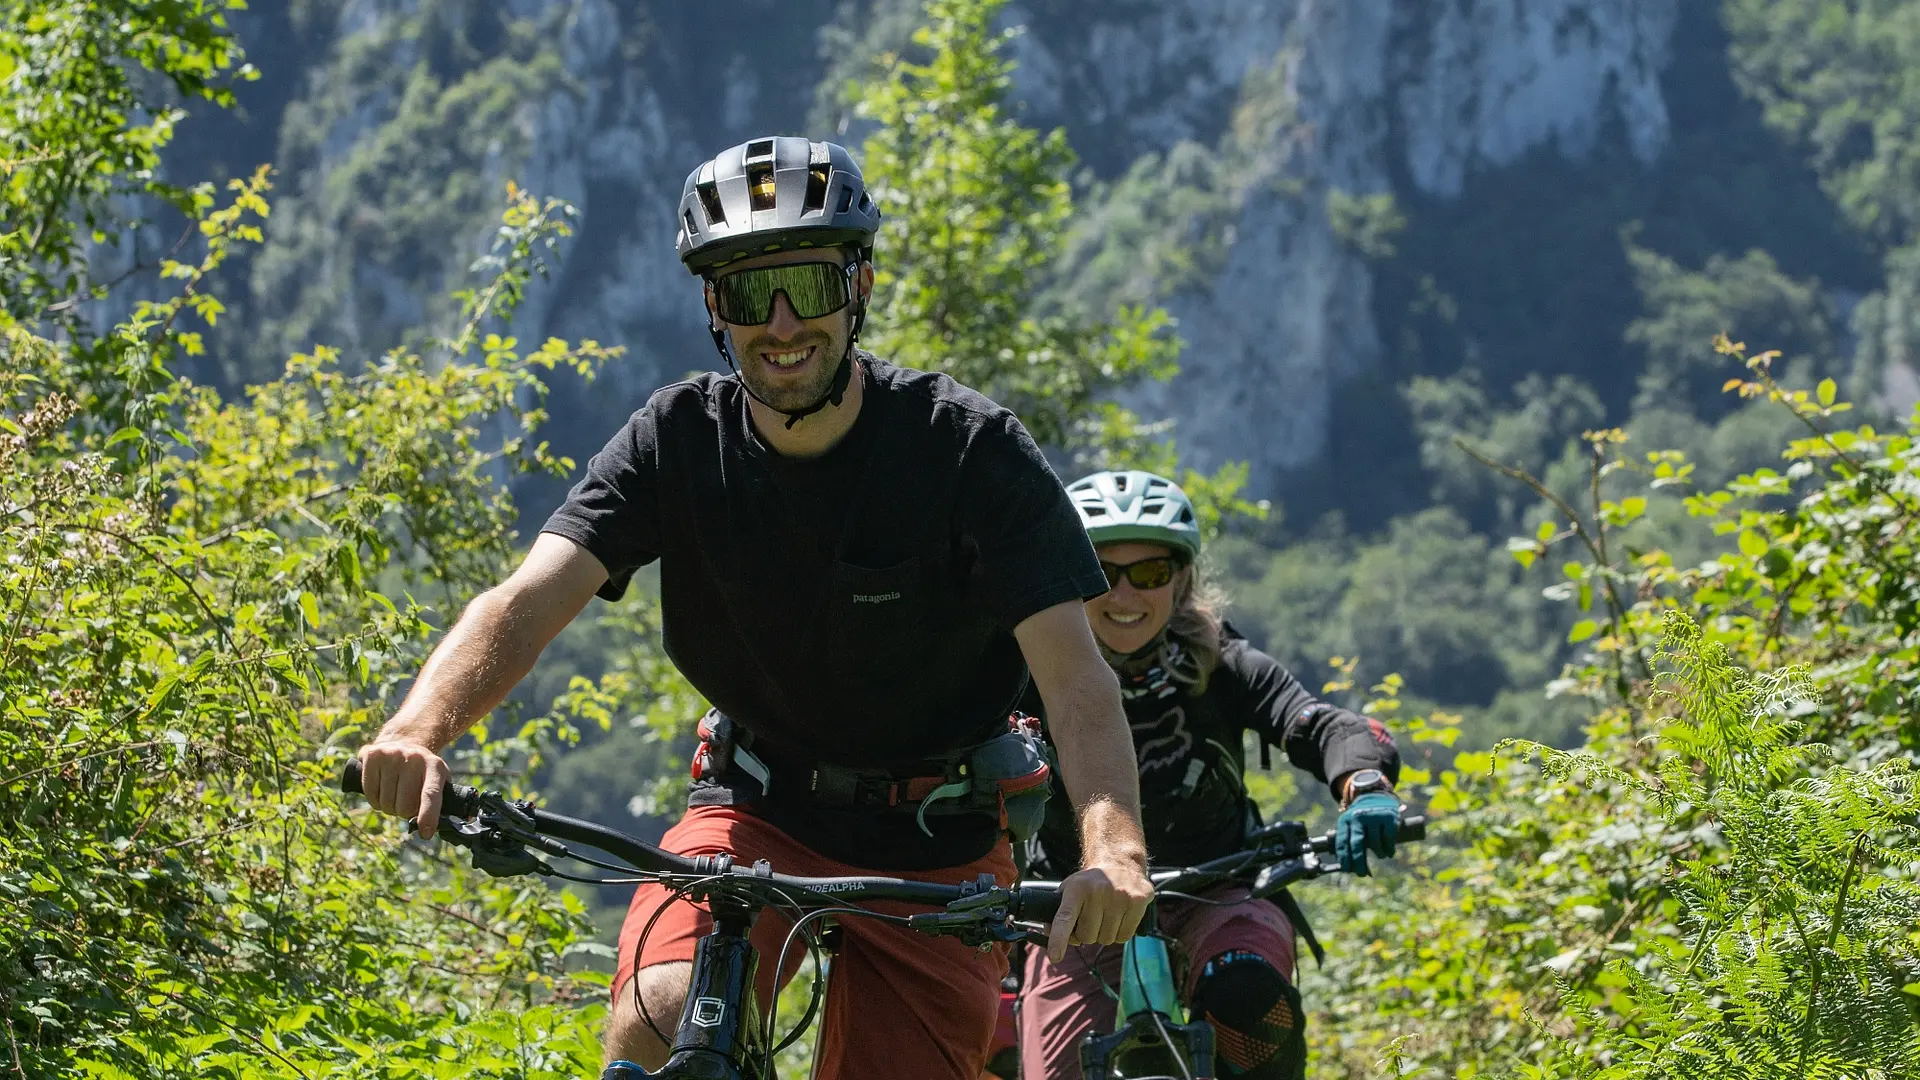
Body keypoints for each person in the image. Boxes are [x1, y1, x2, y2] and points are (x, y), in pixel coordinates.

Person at [352, 136, 1154, 1080]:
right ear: (712, 309)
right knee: (660, 1026)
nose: (780, 323)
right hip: (750, 809)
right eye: (744, 292)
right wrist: (417, 730)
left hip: (934, 837)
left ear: (857, 287)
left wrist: (1114, 845)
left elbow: (1076, 678)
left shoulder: (968, 450)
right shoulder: (677, 439)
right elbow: (528, 600)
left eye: (808, 287)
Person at [1014, 470, 1405, 1080]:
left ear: (1182, 579)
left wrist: (1366, 786)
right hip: (1082, 907)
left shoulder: (1223, 662)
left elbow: (1328, 727)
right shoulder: (1027, 676)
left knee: (1247, 993)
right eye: (1100, 573)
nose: (1124, 596)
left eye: (1149, 574)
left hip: (1221, 891)